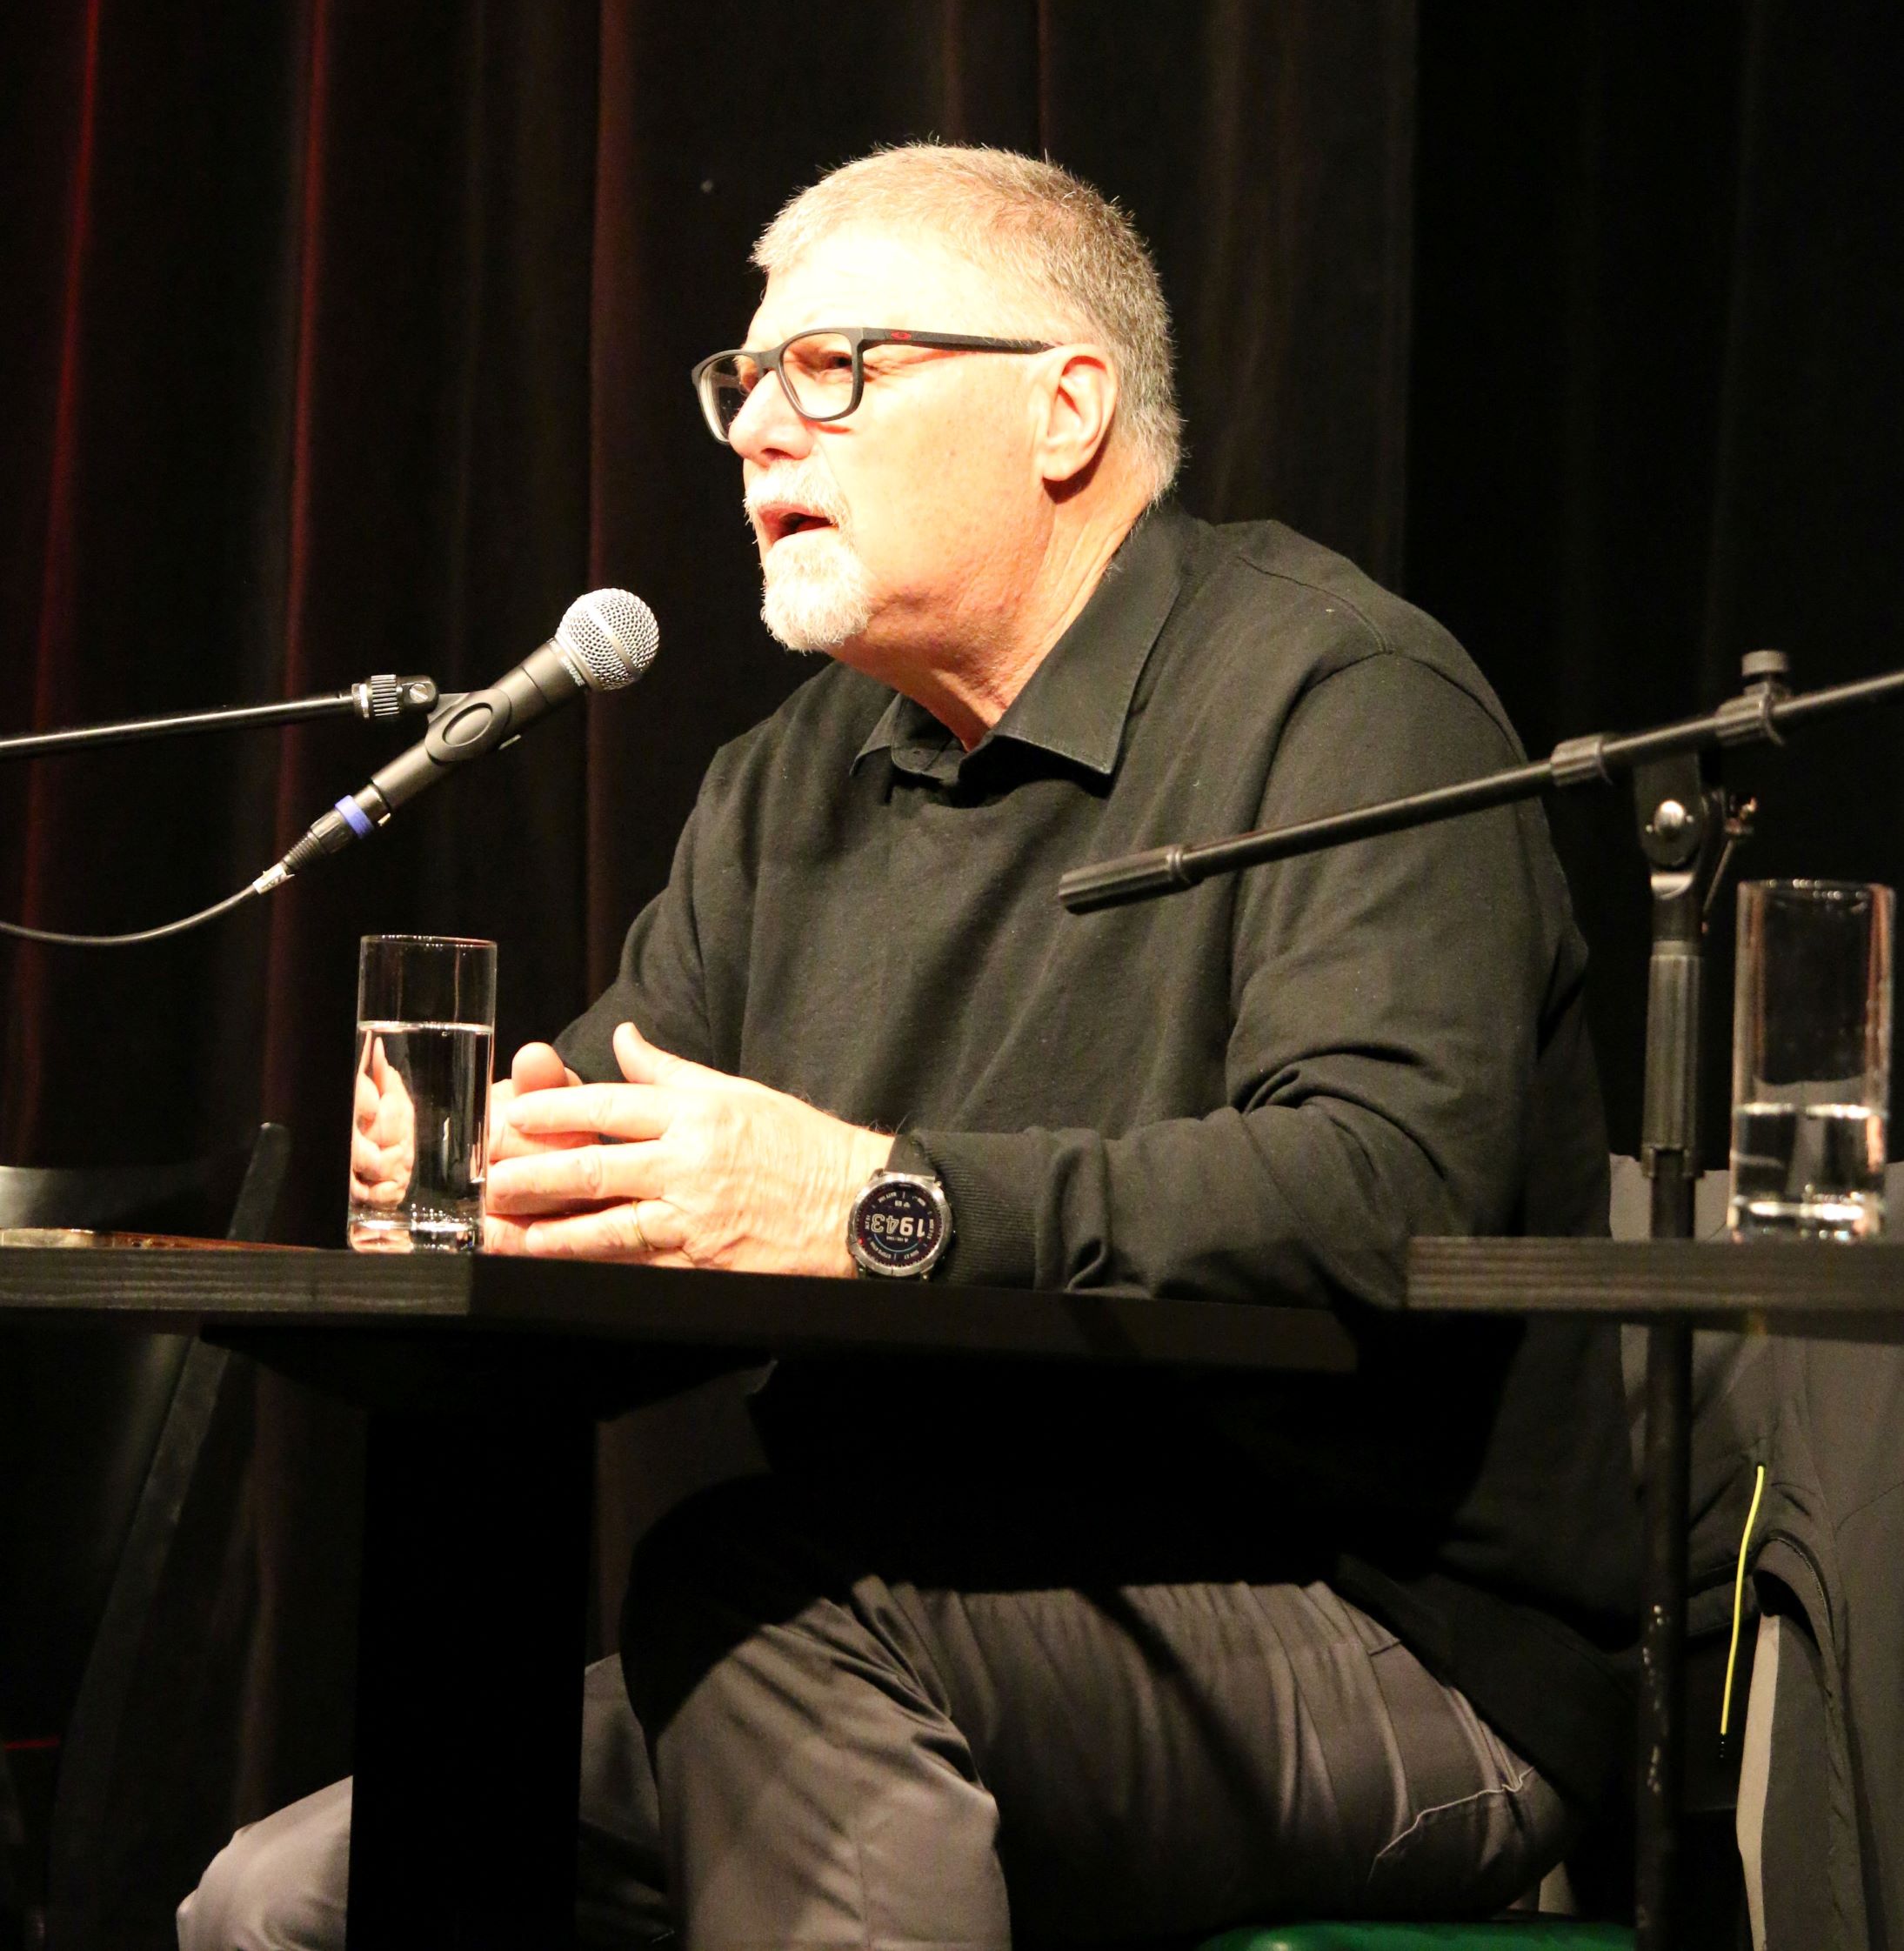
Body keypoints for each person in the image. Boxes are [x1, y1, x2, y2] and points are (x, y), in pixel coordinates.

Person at [182, 144, 1638, 1951]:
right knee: (281, 1905)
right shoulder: (786, 781)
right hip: (873, 1616)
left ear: (1065, 410)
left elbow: (1378, 1184)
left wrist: (875, 1202)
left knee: (758, 1593)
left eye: (833, 370)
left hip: (1378, 1638)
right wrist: (500, 1170)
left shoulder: (1343, 700)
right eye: (743, 382)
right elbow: (632, 1136)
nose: (755, 434)